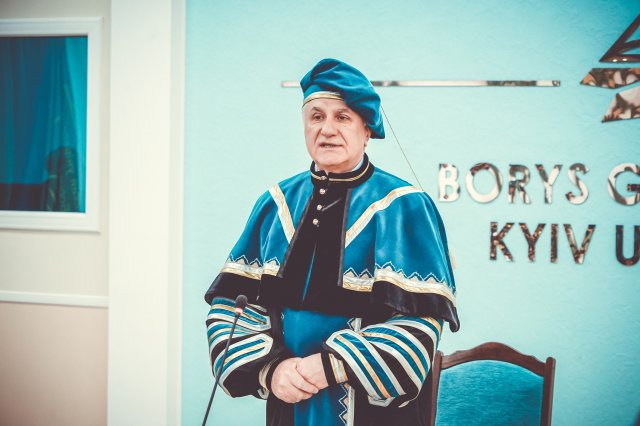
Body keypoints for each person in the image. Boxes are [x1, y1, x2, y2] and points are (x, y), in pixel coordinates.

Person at [204, 58, 459, 426]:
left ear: (366, 129)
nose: (327, 129)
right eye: (316, 116)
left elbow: (419, 327)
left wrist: (331, 366)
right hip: (288, 402)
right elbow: (232, 309)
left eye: (342, 117)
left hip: (375, 413)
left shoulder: (404, 208)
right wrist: (272, 370)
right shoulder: (274, 204)